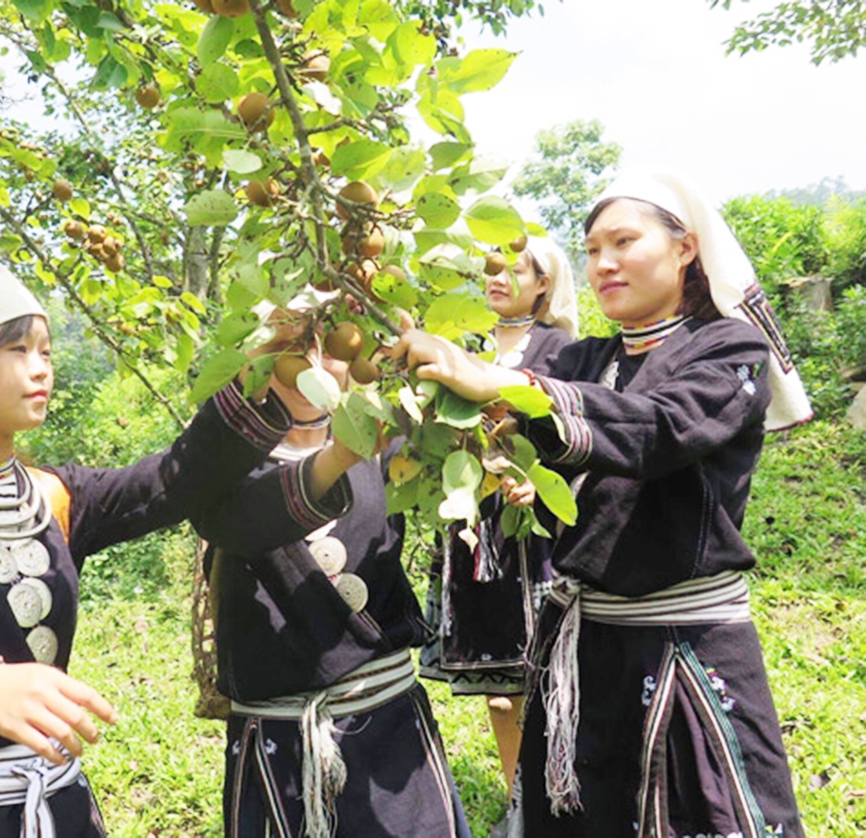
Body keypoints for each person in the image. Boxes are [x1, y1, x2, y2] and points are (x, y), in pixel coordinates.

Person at [0, 228, 309, 837]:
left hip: (58, 811)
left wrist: (264, 376)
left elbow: (174, 479)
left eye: (46, 351)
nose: (41, 369)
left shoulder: (56, 496)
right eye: (18, 351)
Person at [392, 172, 810, 837]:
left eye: (624, 241)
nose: (603, 263)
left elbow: (659, 427)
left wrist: (508, 382)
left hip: (688, 648)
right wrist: (421, 356)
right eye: (591, 249)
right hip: (587, 646)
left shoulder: (732, 352)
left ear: (685, 249)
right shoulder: (586, 358)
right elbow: (516, 417)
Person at [193, 297, 473, 838]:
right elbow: (239, 522)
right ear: (254, 360)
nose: (312, 365)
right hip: (280, 750)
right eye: (289, 348)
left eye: (330, 346)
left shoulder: (396, 453)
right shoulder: (219, 471)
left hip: (392, 737)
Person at [420, 236, 577, 798]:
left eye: (518, 270)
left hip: (534, 532)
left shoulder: (562, 349)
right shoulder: (466, 344)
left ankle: (556, 791)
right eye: (493, 268)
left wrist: (534, 481)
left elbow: (570, 436)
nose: (499, 277)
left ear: (544, 283)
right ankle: (518, 799)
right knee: (498, 689)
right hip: (474, 523)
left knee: (545, 678)